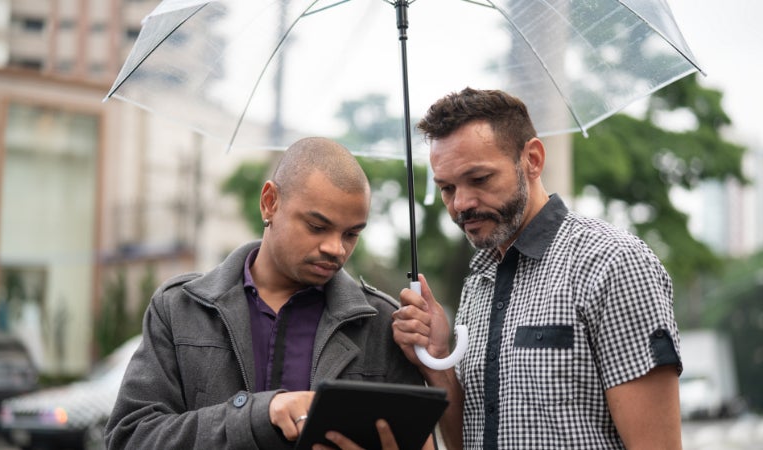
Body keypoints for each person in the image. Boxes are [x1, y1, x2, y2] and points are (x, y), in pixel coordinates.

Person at [392, 88, 683, 449]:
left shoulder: (612, 263)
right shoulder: (478, 281)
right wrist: (437, 360)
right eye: (447, 188)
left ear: (532, 159)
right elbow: (467, 442)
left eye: (480, 179)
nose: (462, 204)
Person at [104, 137, 426, 449]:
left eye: (351, 234)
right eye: (317, 227)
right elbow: (130, 437)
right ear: (270, 202)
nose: (335, 248)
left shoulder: (385, 325)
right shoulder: (179, 308)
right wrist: (262, 414)